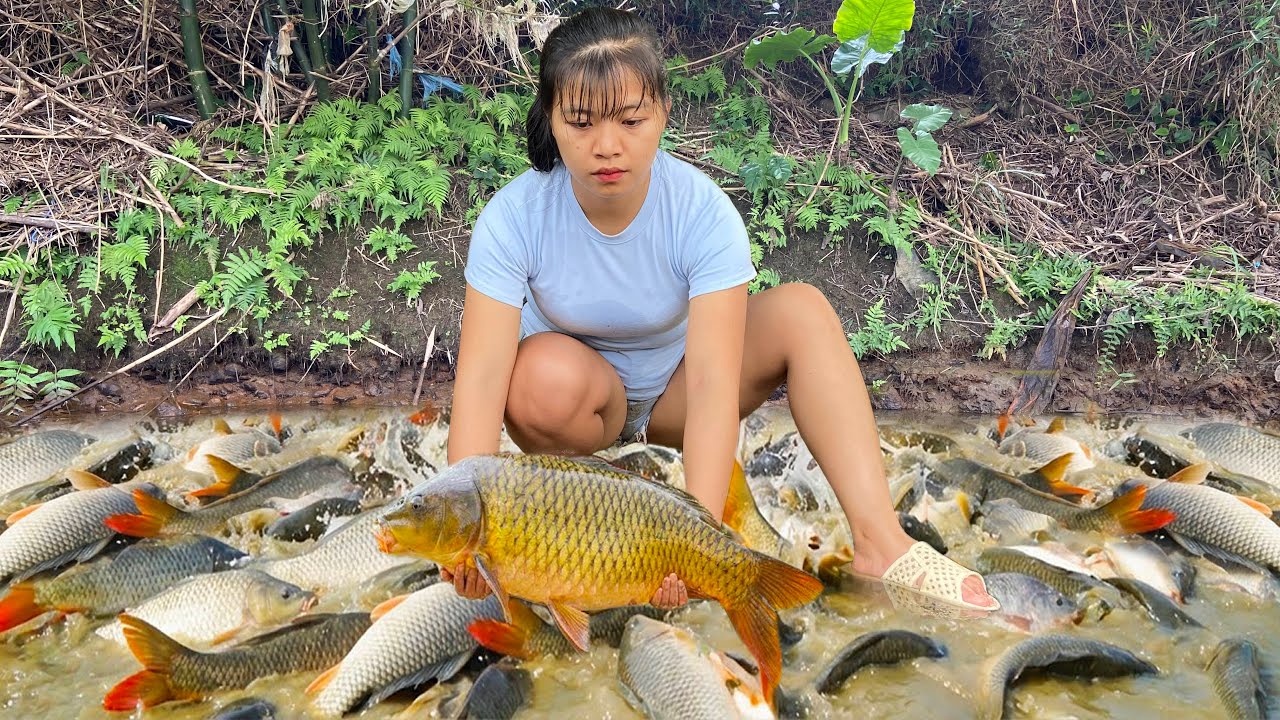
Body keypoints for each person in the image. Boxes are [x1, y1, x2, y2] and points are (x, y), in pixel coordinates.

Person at [442, 7, 998, 613]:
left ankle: (880, 542)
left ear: (662, 115)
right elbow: (481, 378)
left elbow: (712, 385)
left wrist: (693, 545)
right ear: (551, 118)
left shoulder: (701, 213)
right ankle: (588, 536)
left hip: (676, 395)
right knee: (539, 376)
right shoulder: (514, 217)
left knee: (803, 312)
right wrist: (464, 538)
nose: (607, 146)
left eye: (631, 120)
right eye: (580, 123)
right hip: (577, 412)